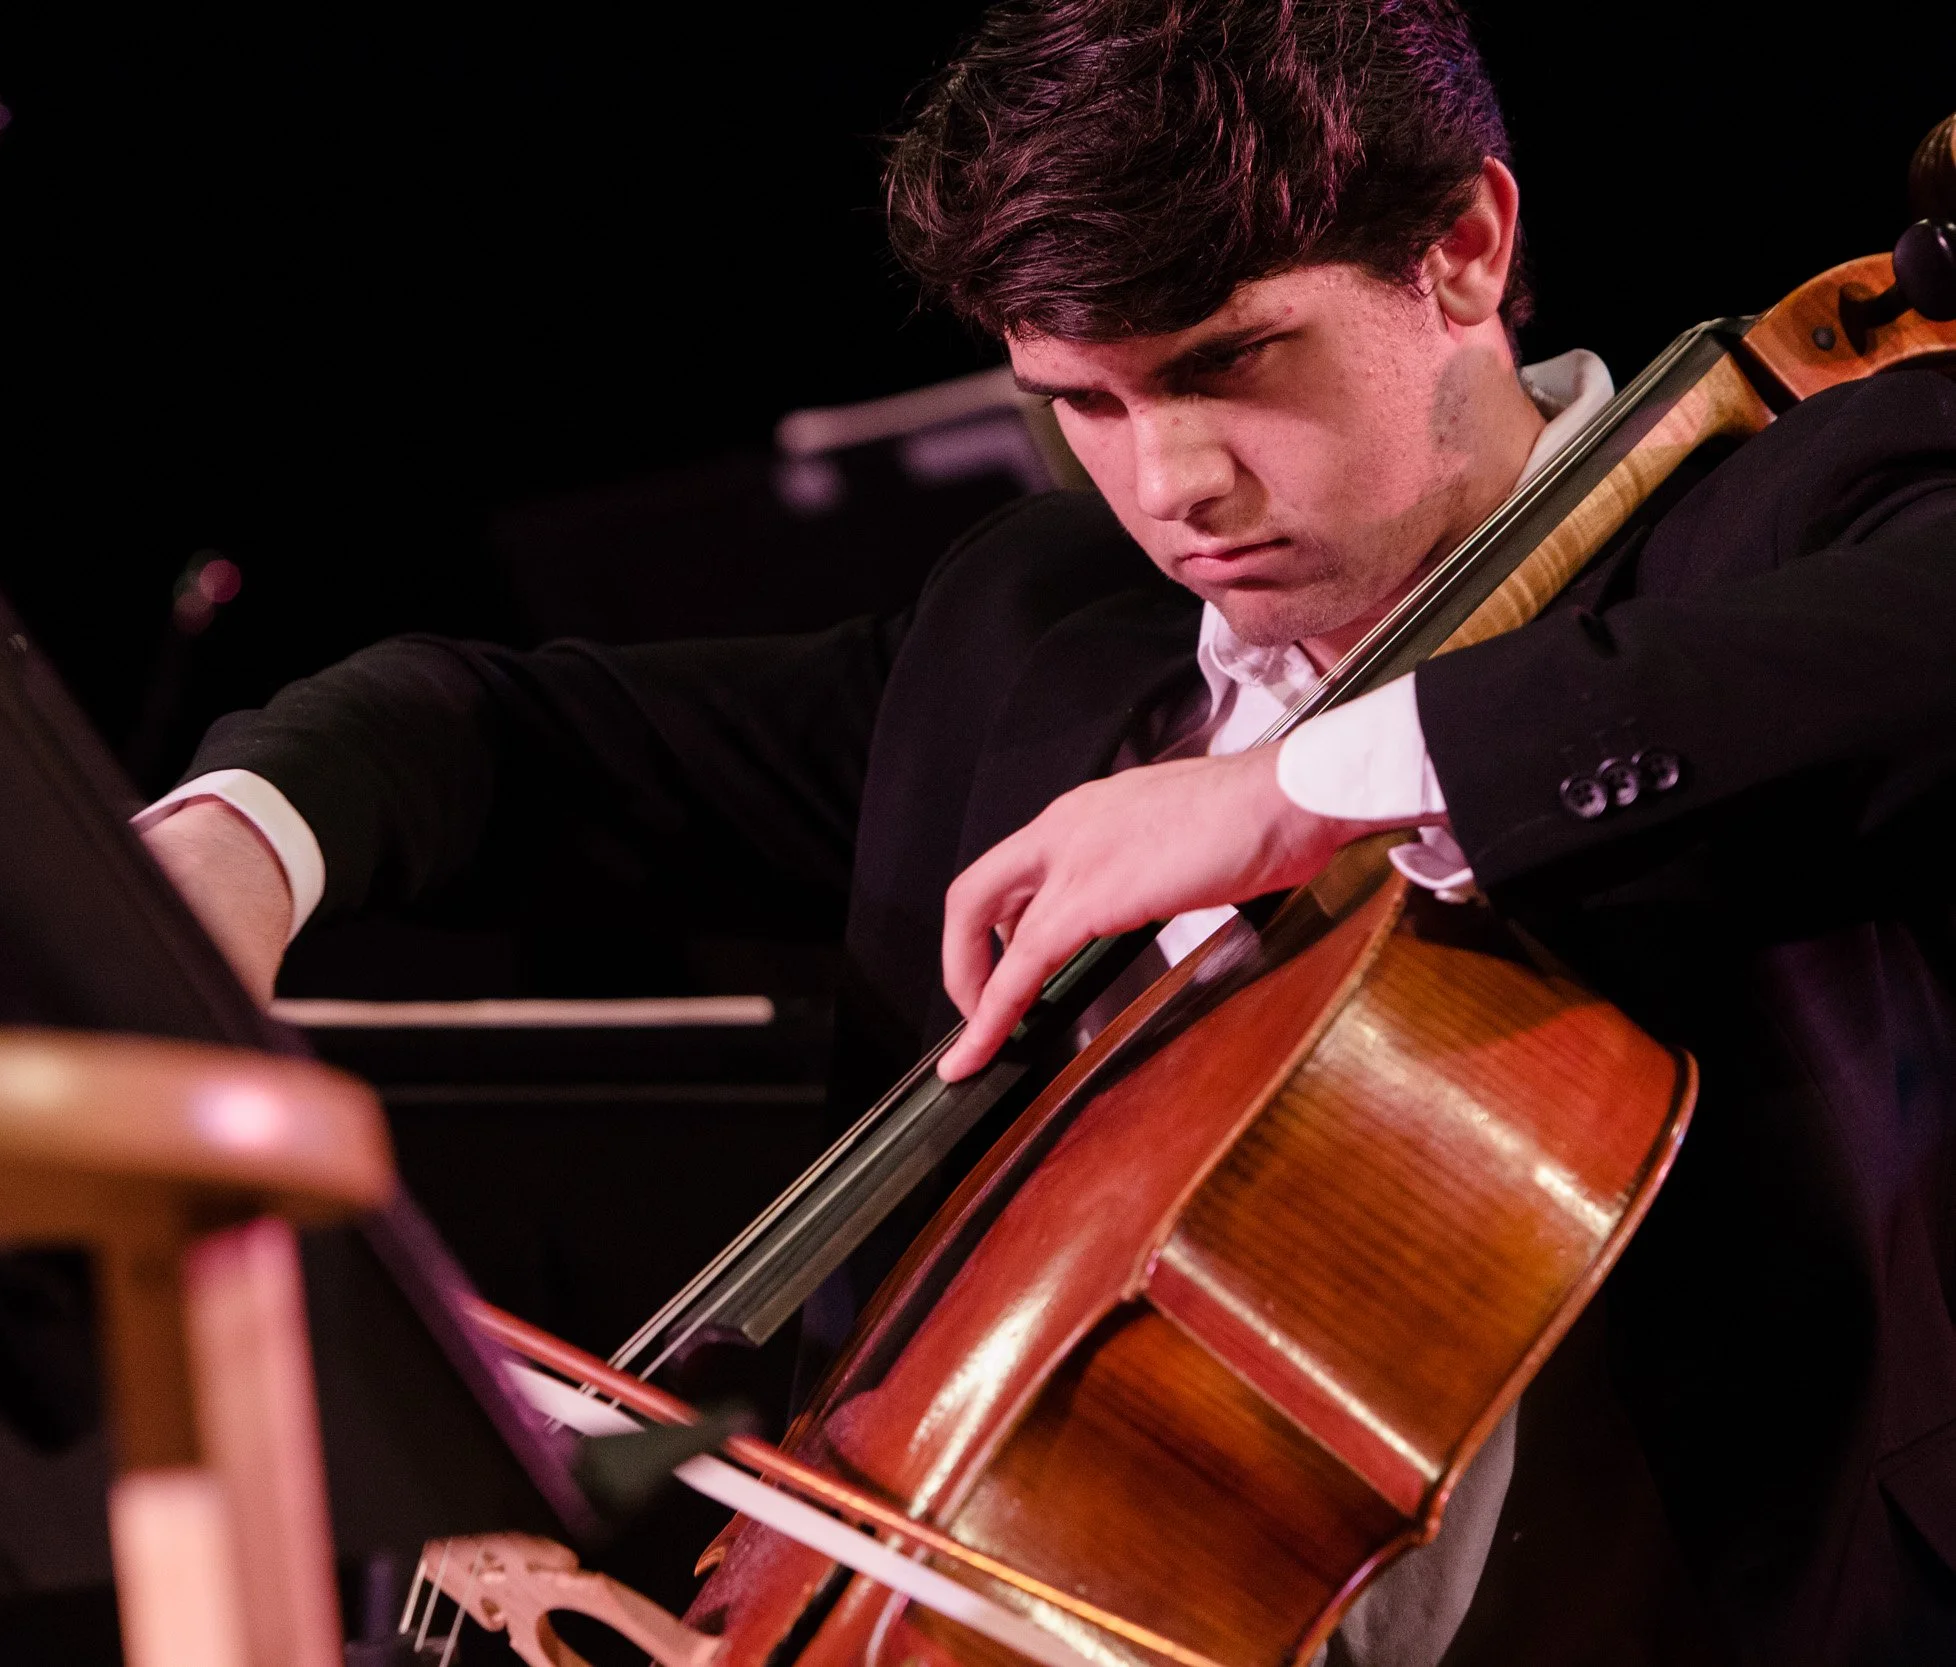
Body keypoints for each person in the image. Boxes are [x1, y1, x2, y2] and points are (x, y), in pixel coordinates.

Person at [139, 0, 1956, 1658]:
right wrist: (234, 844)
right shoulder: (1042, 626)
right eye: (1083, 399)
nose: (1173, 485)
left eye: (1237, 362)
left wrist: (1298, 786)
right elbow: (496, 733)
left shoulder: (1786, 520)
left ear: (1465, 249)